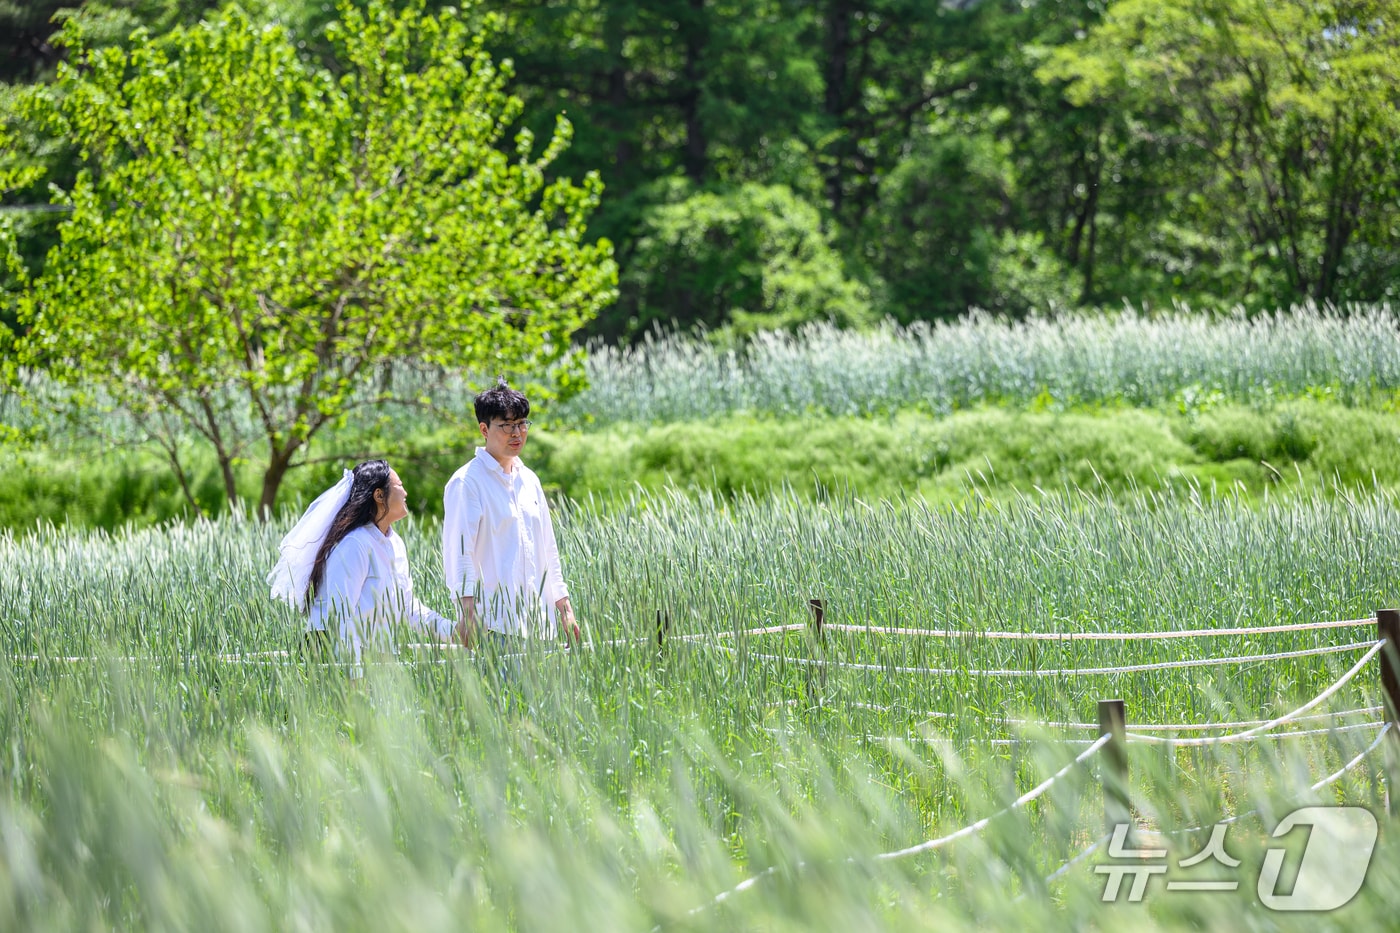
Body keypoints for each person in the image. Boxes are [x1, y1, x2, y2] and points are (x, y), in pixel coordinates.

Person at [268, 459, 455, 668]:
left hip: (375, 659)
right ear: (378, 495)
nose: (405, 493)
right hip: (334, 659)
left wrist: (454, 632)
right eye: (399, 486)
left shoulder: (395, 544)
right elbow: (339, 617)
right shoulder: (354, 545)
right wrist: (353, 674)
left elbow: (408, 608)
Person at [442, 379, 580, 658]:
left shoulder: (529, 480)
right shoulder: (467, 482)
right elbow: (460, 554)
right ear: (484, 429)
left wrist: (564, 608)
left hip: (541, 624)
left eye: (521, 424)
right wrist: (467, 614)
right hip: (495, 626)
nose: (516, 433)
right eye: (506, 426)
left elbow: (548, 550)